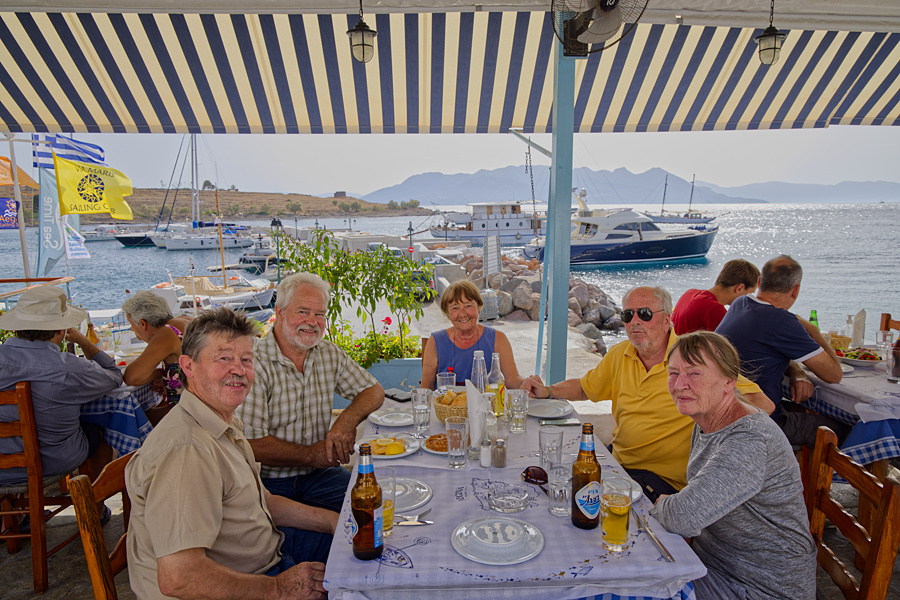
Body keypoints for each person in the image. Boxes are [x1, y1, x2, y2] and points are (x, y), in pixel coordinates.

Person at [125, 307, 335, 600]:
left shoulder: (221, 423)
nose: (238, 370)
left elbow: (265, 502)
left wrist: (335, 521)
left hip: (268, 551)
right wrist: (278, 588)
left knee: (363, 549)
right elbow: (179, 577)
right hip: (239, 583)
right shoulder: (187, 449)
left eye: (246, 360)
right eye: (224, 358)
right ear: (188, 366)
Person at [522, 286, 773, 502]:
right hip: (617, 461)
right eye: (627, 315)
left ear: (667, 320)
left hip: (662, 480)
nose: (634, 322)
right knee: (549, 481)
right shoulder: (620, 353)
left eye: (644, 314)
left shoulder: (692, 360)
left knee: (580, 504)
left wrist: (714, 444)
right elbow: (586, 387)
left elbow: (762, 404)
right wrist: (549, 391)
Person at [652, 331, 815, 600]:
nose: (680, 385)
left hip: (760, 588)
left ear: (729, 381)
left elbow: (682, 517)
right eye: (673, 373)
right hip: (716, 565)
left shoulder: (748, 440)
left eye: (695, 373)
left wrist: (664, 505)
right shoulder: (706, 419)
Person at [235, 273, 384, 512]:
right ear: (280, 312)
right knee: (308, 533)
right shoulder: (255, 363)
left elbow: (374, 391)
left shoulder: (328, 353)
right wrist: (309, 455)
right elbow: (249, 443)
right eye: (303, 311)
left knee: (376, 504)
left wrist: (346, 422)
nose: (312, 322)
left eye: (320, 314)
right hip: (268, 484)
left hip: (319, 476)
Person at [715, 255, 845, 447]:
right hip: (760, 425)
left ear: (760, 282)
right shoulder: (783, 322)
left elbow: (765, 348)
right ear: (796, 290)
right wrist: (812, 330)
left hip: (725, 412)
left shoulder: (740, 304)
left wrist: (797, 372)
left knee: (798, 409)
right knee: (839, 428)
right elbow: (834, 374)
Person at [0, 286, 122, 484]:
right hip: (52, 462)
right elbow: (114, 377)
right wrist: (83, 341)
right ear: (60, 330)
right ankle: (95, 500)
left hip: (3, 467)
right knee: (98, 429)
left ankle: (17, 508)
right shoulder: (69, 368)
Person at [421, 279, 523, 390]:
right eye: (455, 308)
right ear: (448, 314)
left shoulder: (498, 339)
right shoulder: (435, 342)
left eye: (468, 306)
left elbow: (512, 380)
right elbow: (426, 389)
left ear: (479, 308)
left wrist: (526, 384)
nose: (462, 314)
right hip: (446, 402)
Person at [121, 291, 192, 407]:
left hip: (192, 411)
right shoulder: (185, 319)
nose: (131, 329)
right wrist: (162, 374)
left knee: (129, 413)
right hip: (203, 406)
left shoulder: (168, 332)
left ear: (143, 323)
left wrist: (158, 373)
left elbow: (132, 377)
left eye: (131, 324)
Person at [671, 259, 759, 335]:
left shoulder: (689, 293)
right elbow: (729, 345)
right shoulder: (714, 310)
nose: (748, 299)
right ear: (740, 288)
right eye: (750, 293)